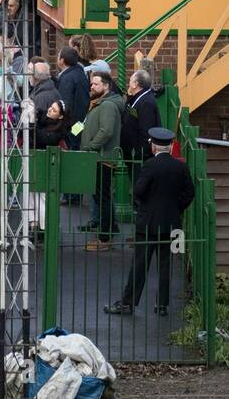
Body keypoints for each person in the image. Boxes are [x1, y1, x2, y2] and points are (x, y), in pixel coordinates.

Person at [105, 127, 195, 316]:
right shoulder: (181, 167)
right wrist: (176, 208)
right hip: (172, 224)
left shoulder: (149, 165)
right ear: (170, 146)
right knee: (165, 265)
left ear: (154, 147)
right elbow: (189, 193)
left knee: (140, 264)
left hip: (148, 223)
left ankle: (128, 303)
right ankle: (162, 305)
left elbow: (139, 191)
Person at [81, 62, 125, 251]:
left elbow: (106, 131)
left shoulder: (107, 105)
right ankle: (110, 229)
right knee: (102, 196)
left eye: (96, 84)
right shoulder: (98, 103)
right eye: (91, 84)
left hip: (103, 158)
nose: (92, 87)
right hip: (98, 157)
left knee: (103, 198)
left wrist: (91, 146)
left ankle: (105, 238)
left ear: (106, 85)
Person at [122, 69, 161, 162]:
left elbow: (146, 130)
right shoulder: (140, 99)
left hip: (140, 158)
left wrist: (139, 154)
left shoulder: (146, 102)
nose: (129, 85)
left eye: (130, 81)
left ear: (135, 84)